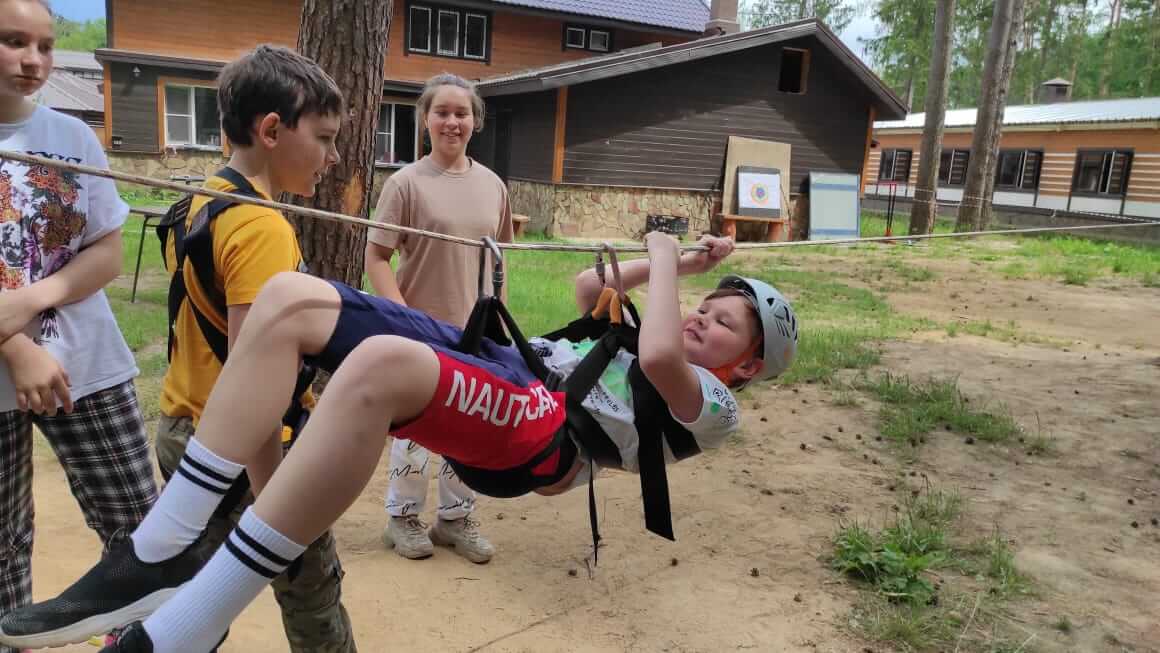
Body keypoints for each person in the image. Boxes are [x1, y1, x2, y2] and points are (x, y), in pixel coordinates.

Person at [0, 229, 799, 653]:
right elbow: (592, 289)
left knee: (381, 365)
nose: (701, 314)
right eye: (706, 304)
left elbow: (660, 353)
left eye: (724, 322)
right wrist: (682, 263)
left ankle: (183, 626)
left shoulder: (716, 403)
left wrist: (665, 259)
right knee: (287, 298)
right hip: (506, 366)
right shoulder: (647, 324)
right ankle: (160, 547)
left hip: (544, 434)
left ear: (749, 362)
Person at [149, 45, 356, 653]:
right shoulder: (262, 226)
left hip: (183, 432)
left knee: (191, 601)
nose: (334, 155)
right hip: (247, 454)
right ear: (271, 130)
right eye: (323, 137)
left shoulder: (196, 202)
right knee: (313, 598)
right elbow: (254, 378)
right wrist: (275, 499)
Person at [0, 2, 157, 651]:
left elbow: (107, 251)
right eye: (13, 42)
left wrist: (35, 298)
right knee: (3, 544)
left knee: (142, 529)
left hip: (87, 365)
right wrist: (12, 343)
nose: (34, 60)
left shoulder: (72, 137)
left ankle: (144, 639)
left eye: (44, 44)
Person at [366, 73, 512, 564]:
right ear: (424, 119)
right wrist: (400, 317)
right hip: (419, 329)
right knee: (416, 428)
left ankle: (455, 519)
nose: (452, 121)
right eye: (442, 112)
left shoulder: (493, 185)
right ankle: (402, 517)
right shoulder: (405, 183)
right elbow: (376, 258)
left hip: (475, 331)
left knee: (469, 428)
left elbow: (498, 260)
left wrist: (501, 320)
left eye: (461, 113)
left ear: (476, 121)